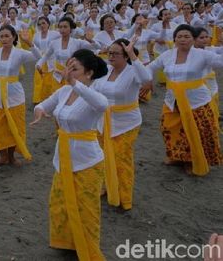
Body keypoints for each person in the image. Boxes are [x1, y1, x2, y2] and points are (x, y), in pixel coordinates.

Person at [31, 49, 109, 261]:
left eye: (75, 69)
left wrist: (75, 84)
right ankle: (67, 241)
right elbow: (43, 104)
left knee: (87, 210)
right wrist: (39, 111)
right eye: (69, 67)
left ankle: (87, 248)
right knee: (60, 202)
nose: (69, 72)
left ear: (89, 73)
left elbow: (103, 105)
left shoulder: (93, 95)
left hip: (87, 161)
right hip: (62, 157)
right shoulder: (64, 92)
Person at [147, 24, 223, 176]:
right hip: (172, 100)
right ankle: (177, 156)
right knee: (169, 128)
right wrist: (147, 79)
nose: (182, 39)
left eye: (187, 36)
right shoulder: (168, 55)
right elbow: (150, 67)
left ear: (193, 39)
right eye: (179, 36)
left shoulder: (202, 54)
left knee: (195, 131)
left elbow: (220, 62)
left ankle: (191, 160)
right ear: (174, 39)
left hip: (196, 101)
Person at [92, 37, 151, 210]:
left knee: (121, 159)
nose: (111, 56)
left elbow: (147, 79)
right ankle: (105, 186)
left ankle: (124, 197)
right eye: (109, 52)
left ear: (125, 56)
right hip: (103, 121)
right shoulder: (104, 70)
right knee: (102, 156)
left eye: (115, 53)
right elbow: (93, 89)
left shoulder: (133, 71)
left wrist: (133, 54)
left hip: (126, 123)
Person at [0, 24, 40, 166]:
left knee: (15, 125)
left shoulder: (19, 53)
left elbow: (38, 57)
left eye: (7, 36)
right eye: (1, 36)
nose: (4, 39)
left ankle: (12, 156)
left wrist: (29, 43)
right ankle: (3, 157)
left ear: (13, 37)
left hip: (14, 94)